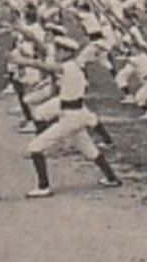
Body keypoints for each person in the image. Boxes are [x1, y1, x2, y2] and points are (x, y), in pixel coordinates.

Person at [17, 35, 123, 196]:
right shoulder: (72, 66)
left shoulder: (68, 67)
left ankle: (43, 187)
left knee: (35, 147)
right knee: (89, 150)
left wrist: (21, 61)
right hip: (76, 114)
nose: (57, 52)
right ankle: (112, 178)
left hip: (72, 116)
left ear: (67, 53)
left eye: (60, 50)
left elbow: (42, 65)